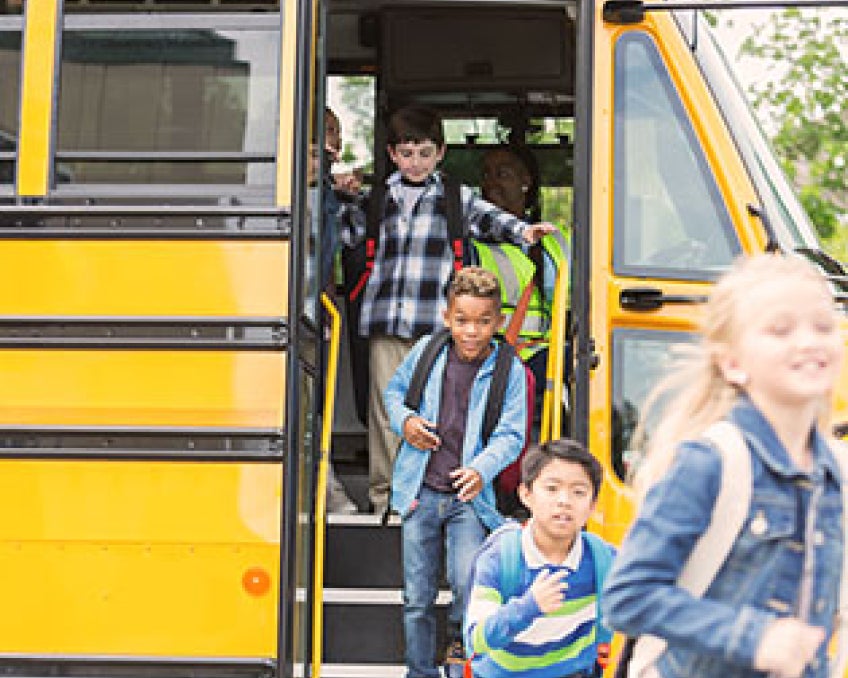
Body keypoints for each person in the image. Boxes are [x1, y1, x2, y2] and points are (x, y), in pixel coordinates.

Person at [602, 254, 846, 678]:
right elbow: (627, 597)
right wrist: (755, 638)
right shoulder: (711, 461)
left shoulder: (834, 472)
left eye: (823, 327)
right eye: (780, 330)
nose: (808, 341)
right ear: (731, 362)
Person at [340, 104, 554, 514]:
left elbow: (491, 220)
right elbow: (346, 235)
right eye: (406, 152)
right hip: (387, 319)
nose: (415, 162)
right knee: (389, 412)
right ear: (391, 154)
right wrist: (341, 195)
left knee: (439, 410)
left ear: (439, 154)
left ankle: (432, 492)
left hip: (436, 326)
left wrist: (525, 231)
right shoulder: (376, 199)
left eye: (424, 152)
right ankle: (387, 499)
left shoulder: (455, 197)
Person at [384, 266, 529, 678]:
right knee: (417, 596)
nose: (472, 331)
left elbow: (512, 435)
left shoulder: (508, 370)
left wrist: (481, 469)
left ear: (498, 322)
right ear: (448, 317)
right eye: (462, 320)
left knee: (468, 582)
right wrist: (407, 422)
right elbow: (394, 393)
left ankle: (458, 643)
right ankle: (419, 671)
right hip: (421, 491)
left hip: (469, 498)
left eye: (484, 322)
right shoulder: (428, 352)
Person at [464, 439, 616, 678]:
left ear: (593, 505)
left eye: (578, 492)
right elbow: (476, 639)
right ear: (526, 494)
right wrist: (529, 606)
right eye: (552, 488)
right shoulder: (501, 557)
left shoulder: (604, 559)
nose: (564, 501)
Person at [475, 145, 570, 436]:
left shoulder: (556, 242)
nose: (492, 183)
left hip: (548, 352)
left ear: (525, 182)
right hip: (493, 355)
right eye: (486, 175)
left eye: (502, 174)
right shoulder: (472, 241)